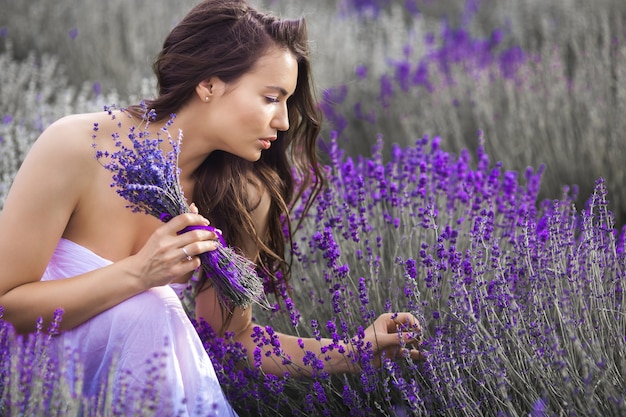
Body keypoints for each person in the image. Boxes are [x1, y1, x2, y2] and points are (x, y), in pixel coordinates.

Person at [0, 0, 423, 415]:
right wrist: (139, 274)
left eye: (287, 103)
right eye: (271, 98)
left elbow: (232, 339)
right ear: (209, 85)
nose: (283, 122)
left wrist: (355, 351)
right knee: (151, 310)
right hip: (31, 381)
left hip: (136, 388)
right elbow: (7, 305)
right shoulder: (77, 147)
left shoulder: (242, 195)